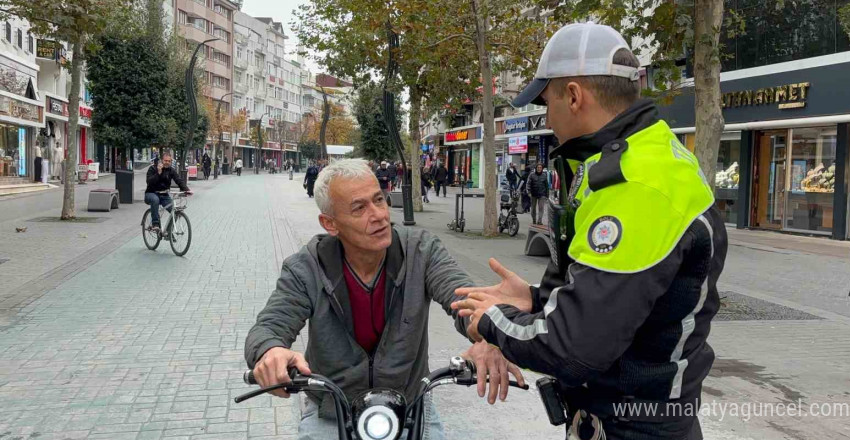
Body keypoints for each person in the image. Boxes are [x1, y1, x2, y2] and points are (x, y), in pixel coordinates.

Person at [452, 22, 727, 440]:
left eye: (548, 101)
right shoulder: (645, 156)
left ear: (575, 96)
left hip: (634, 427)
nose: (547, 116)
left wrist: (490, 320)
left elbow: (574, 350)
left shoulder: (636, 186)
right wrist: (536, 298)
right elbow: (623, 297)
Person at [245, 159, 523, 440]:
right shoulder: (306, 267)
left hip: (410, 406)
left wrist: (490, 335)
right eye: (359, 208)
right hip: (332, 410)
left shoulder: (422, 251)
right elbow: (270, 325)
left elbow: (464, 298)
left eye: (379, 199)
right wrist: (270, 352)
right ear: (330, 223)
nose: (378, 214)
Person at [145, 152, 192, 232]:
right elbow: (149, 182)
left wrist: (186, 190)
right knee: (155, 200)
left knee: (176, 212)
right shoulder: (153, 168)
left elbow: (178, 180)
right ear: (161, 160)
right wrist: (158, 173)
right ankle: (155, 224)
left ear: (171, 162)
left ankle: (168, 232)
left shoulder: (171, 170)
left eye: (169, 161)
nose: (167, 162)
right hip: (151, 193)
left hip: (164, 195)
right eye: (165, 160)